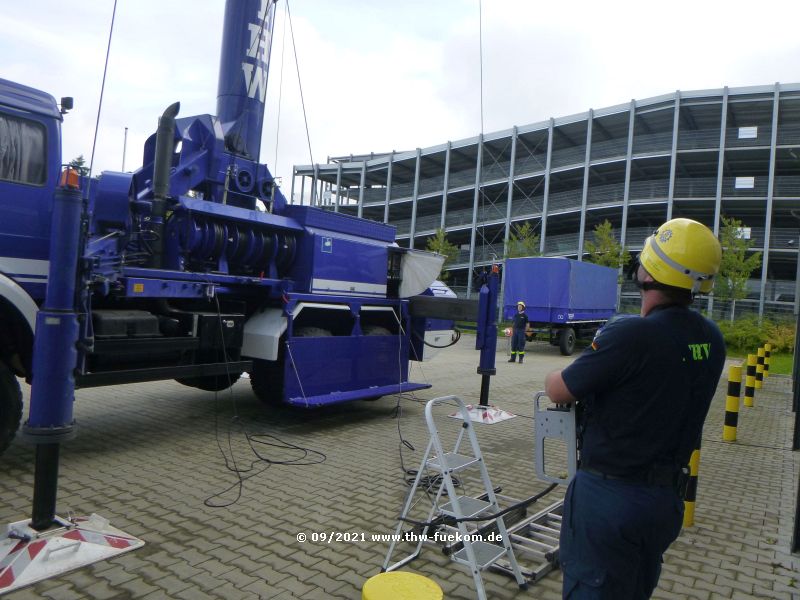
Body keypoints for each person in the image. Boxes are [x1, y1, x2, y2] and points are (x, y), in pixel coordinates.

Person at [544, 218, 726, 599]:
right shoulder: (711, 338)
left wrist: (554, 373)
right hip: (664, 501)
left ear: (649, 271)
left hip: (610, 500)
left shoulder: (631, 334)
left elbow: (560, 391)